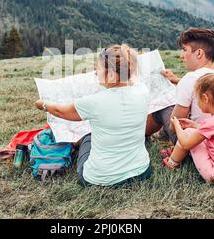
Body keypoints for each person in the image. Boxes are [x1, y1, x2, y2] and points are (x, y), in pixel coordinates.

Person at [34, 44, 151, 187]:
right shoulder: (142, 91)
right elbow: (133, 79)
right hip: (141, 171)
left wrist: (43, 104)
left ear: (112, 74)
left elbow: (60, 111)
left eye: (99, 68)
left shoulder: (93, 102)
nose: (96, 73)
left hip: (100, 178)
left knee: (88, 136)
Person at [146, 28, 214, 147]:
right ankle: (162, 134)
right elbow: (204, 84)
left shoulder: (190, 79)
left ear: (199, 53)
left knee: (162, 106)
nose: (181, 56)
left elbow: (175, 126)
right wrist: (176, 80)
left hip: (196, 145)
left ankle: (141, 135)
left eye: (185, 50)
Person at [162, 73, 214, 184]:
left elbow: (186, 144)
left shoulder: (212, 122)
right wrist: (195, 125)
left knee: (188, 133)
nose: (197, 102)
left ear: (205, 98)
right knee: (192, 130)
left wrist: (177, 125)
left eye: (198, 98)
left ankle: (172, 163)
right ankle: (176, 154)